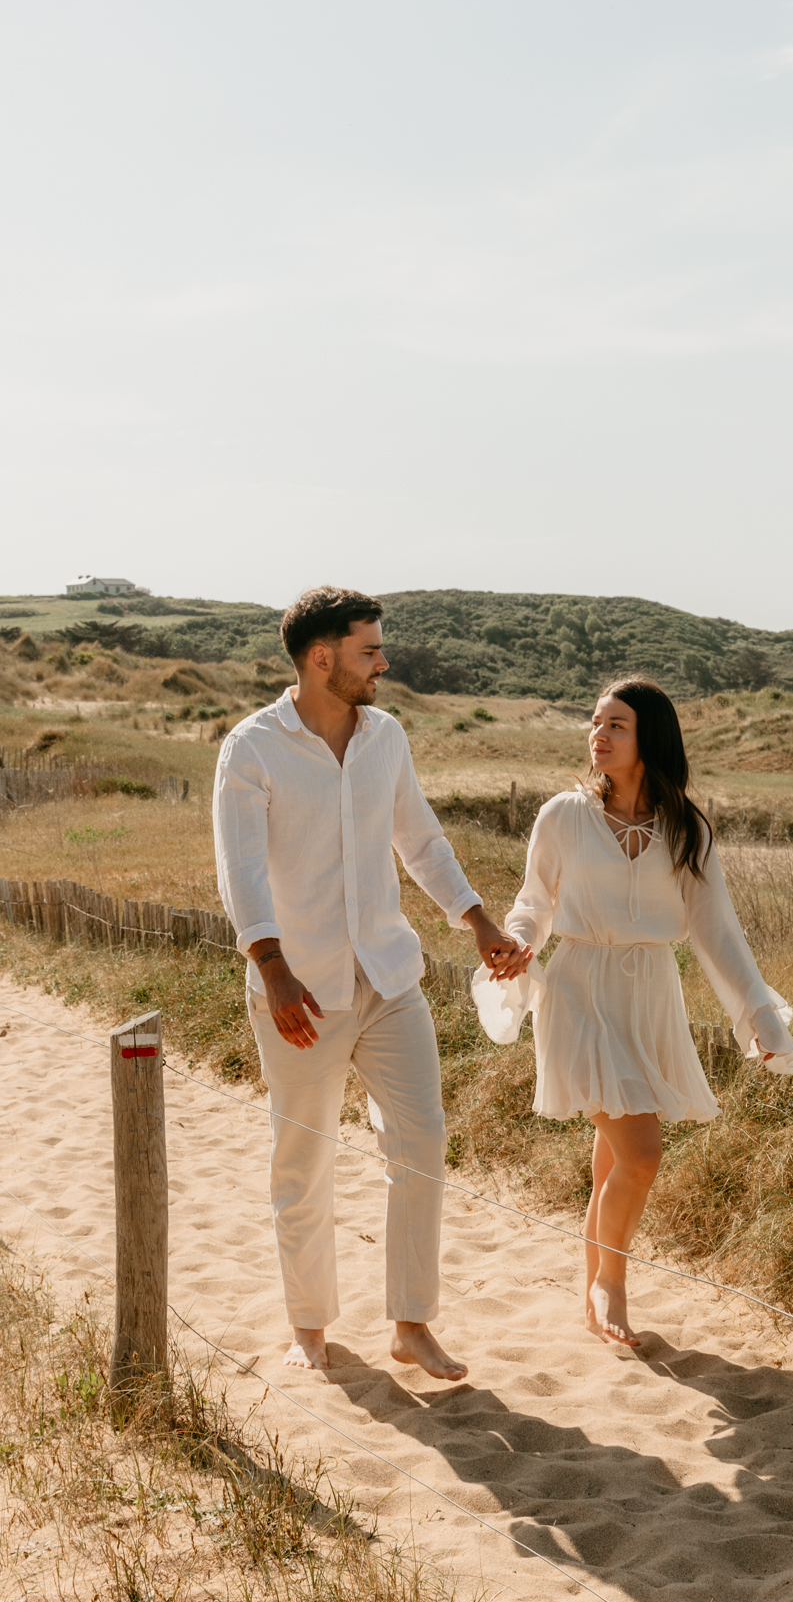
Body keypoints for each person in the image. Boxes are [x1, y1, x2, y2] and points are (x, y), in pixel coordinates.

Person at [213, 586, 529, 1378]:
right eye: (368, 651)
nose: (383, 662)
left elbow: (417, 837)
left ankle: (411, 1323)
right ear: (321, 658)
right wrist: (272, 969)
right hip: (301, 992)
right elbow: (241, 870)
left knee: (422, 1141)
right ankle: (310, 1327)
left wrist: (479, 922)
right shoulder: (251, 749)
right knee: (303, 1158)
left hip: (390, 978)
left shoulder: (385, 736)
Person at [473, 675, 793, 1349]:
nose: (598, 734)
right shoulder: (563, 816)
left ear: (649, 736)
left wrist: (761, 1017)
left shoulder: (686, 828)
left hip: (650, 992)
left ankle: (592, 1284)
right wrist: (519, 945)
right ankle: (611, 1286)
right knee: (643, 1153)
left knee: (614, 1156)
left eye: (616, 724)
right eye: (595, 722)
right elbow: (534, 903)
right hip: (577, 987)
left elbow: (719, 933)